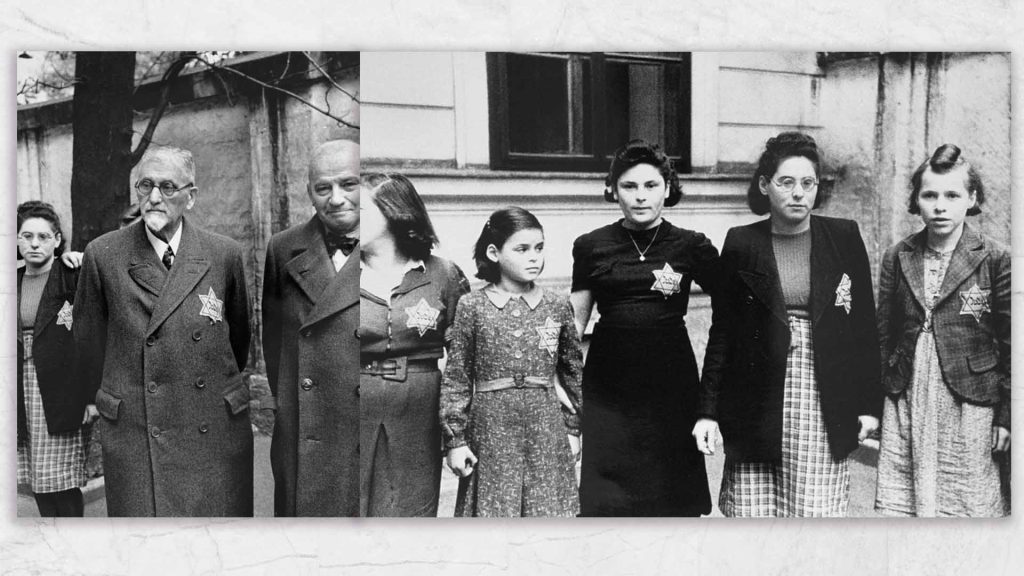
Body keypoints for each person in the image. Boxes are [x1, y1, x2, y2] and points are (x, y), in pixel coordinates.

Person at [695, 132, 881, 517]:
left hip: (824, 395)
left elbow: (864, 329)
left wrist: (869, 407)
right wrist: (708, 411)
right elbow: (723, 333)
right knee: (755, 512)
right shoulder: (742, 243)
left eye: (808, 183)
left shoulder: (843, 237)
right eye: (786, 182)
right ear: (765, 185)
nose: (798, 193)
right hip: (756, 398)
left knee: (813, 511)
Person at [74, 145, 253, 516]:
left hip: (211, 423)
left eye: (168, 187)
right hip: (137, 428)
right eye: (145, 186)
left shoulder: (225, 254)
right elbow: (88, 341)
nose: (154, 198)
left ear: (191, 196)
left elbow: (238, 341)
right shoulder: (104, 254)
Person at [571, 140, 719, 516]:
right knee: (611, 503)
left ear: (667, 189)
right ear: (612, 190)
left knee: (671, 499)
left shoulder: (691, 245)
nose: (640, 197)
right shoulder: (591, 246)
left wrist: (713, 399)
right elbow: (574, 325)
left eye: (651, 186)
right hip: (609, 387)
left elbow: (735, 309)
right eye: (629, 186)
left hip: (671, 384)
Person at [874, 144, 1010, 517]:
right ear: (916, 200)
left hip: (970, 399)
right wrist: (880, 400)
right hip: (909, 391)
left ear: (972, 198)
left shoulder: (995, 257)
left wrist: (1007, 416)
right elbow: (884, 333)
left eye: (952, 195)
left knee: (966, 501)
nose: (940, 205)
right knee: (906, 499)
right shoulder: (899, 254)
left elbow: (1015, 343)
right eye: (929, 194)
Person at [441, 207, 584, 517]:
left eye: (539, 248)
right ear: (494, 253)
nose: (534, 257)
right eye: (522, 249)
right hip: (490, 429)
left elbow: (572, 370)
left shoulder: (557, 305)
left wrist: (573, 430)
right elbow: (457, 377)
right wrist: (455, 440)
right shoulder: (472, 306)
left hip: (546, 428)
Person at [359, 172, 470, 517]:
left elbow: (464, 362)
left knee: (409, 517)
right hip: (350, 409)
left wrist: (457, 437)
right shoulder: (336, 273)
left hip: (417, 414)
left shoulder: (443, 275)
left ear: (394, 214)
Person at [262, 140, 360, 517]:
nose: (336, 199)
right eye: (323, 188)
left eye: (348, 184)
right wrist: (290, 405)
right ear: (310, 193)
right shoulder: (283, 249)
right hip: (305, 427)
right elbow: (274, 342)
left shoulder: (394, 246)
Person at [17, 201, 93, 516]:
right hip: (22, 390)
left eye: (44, 237)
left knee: (63, 482)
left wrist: (90, 397)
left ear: (58, 240)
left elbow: (91, 338)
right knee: (36, 479)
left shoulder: (71, 275)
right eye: (26, 235)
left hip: (62, 391)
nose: (34, 243)